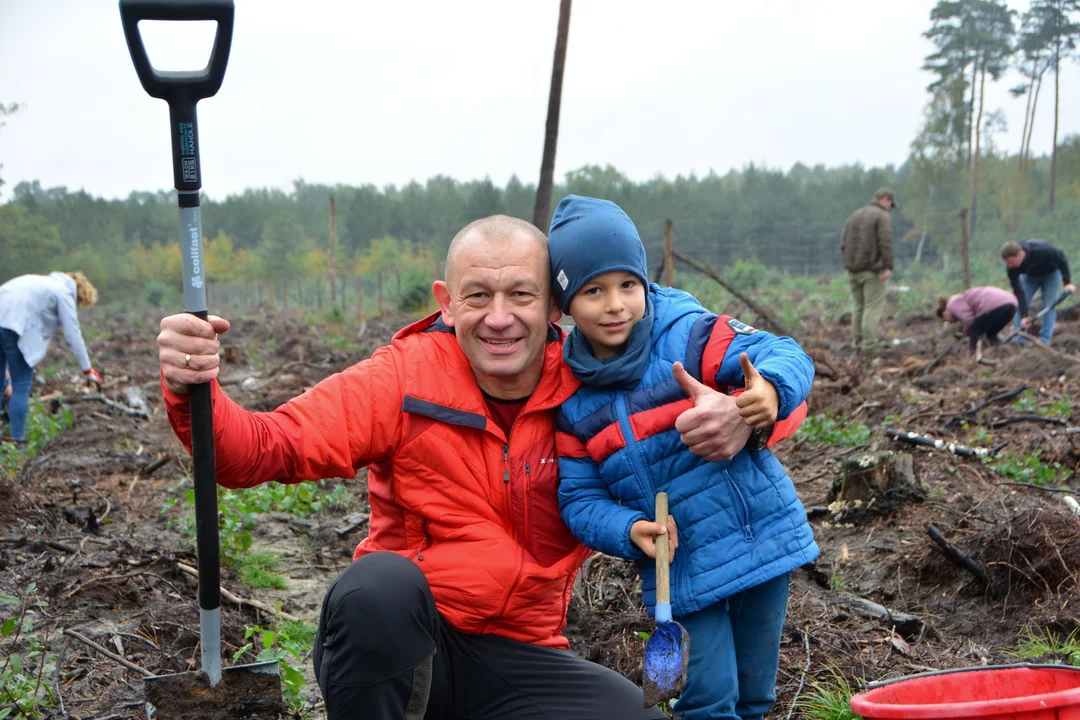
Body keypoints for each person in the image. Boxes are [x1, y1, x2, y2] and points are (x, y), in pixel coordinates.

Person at [155, 214, 789, 720]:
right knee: (377, 587)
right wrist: (193, 388)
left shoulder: (590, 389)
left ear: (554, 307)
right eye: (478, 296)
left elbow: (763, 389)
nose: (499, 317)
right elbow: (256, 450)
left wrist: (751, 413)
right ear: (447, 301)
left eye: (522, 295)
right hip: (407, 643)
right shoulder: (402, 379)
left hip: (521, 658)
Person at [548, 195, 818, 720]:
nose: (615, 305)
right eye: (593, 291)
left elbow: (784, 352)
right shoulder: (570, 396)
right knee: (707, 702)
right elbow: (579, 497)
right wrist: (627, 529)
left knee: (756, 696)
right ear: (563, 306)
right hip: (681, 570)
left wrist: (769, 393)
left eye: (628, 285)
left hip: (758, 539)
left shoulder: (690, 335)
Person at [0, 272, 103, 442]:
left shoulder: (36, 281)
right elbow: (72, 335)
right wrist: (87, 369)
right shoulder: (63, 293)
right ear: (80, 295)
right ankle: (17, 441)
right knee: (21, 386)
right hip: (14, 328)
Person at [841, 187, 896, 352]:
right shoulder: (882, 216)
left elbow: (843, 243)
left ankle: (857, 344)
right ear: (885, 199)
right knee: (872, 308)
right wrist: (888, 266)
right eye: (891, 204)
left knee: (858, 307)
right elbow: (885, 242)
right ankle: (869, 346)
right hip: (872, 271)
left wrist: (848, 265)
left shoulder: (854, 215)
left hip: (852, 271)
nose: (890, 208)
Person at [1001, 240, 1076, 345]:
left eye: (1011, 261)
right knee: (1020, 304)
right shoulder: (1011, 268)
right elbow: (1018, 292)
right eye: (1007, 262)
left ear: (1020, 255)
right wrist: (1024, 315)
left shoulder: (1043, 250)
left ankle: (1044, 340)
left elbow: (1062, 259)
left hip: (1051, 275)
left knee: (1049, 305)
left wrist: (1067, 282)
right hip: (1029, 278)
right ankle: (1018, 340)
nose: (1009, 265)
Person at [936, 287, 1018, 356]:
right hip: (1012, 304)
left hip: (993, 305)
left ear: (944, 314)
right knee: (990, 334)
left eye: (947, 320)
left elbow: (970, 320)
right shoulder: (960, 298)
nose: (951, 322)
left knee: (974, 329)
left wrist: (967, 332)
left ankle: (973, 355)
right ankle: (1001, 350)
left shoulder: (952, 304)